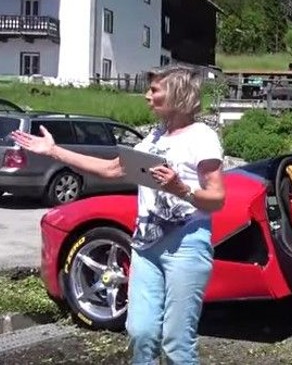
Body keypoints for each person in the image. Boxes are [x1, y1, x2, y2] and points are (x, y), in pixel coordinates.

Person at [10, 65, 226, 364]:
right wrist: (54, 151)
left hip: (186, 245)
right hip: (145, 247)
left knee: (177, 343)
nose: (146, 95)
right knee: (140, 332)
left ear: (177, 93)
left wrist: (180, 188)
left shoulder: (201, 136)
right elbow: (111, 169)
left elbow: (216, 199)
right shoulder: (154, 137)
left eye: (154, 90)